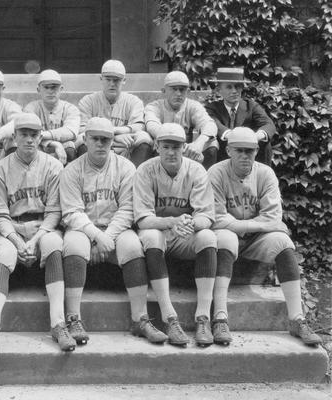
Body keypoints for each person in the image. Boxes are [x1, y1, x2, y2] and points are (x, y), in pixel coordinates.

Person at [59, 117, 168, 347]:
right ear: (85, 140)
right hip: (84, 229)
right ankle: (73, 318)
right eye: (95, 139)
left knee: (132, 246)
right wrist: (96, 236)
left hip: (115, 228)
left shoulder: (125, 167)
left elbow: (129, 208)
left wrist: (107, 236)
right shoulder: (72, 169)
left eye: (106, 140)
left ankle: (140, 318)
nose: (100, 144)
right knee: (74, 245)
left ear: (112, 141)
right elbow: (71, 212)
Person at [209, 127, 322, 346]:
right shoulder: (216, 172)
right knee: (225, 237)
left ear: (257, 151)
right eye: (239, 150)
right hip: (226, 235)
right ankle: (220, 317)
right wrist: (254, 225)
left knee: (283, 241)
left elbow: (273, 218)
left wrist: (246, 226)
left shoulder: (265, 173)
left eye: (249, 151)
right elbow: (216, 218)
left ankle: (297, 319)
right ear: (228, 150)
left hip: (254, 239)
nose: (244, 155)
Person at [0, 113, 74, 363]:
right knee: (4, 253)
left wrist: (36, 239)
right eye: (24, 134)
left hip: (43, 225)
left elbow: (55, 212)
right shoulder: (0, 168)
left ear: (41, 137)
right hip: (11, 227)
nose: (29, 140)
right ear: (14, 136)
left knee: (53, 244)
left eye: (34, 135)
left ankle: (58, 323)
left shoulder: (53, 165)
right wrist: (19, 241)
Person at [133, 122, 217, 347]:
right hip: (159, 231)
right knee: (150, 235)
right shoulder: (145, 170)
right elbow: (142, 218)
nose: (171, 152)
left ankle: (203, 317)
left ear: (184, 147)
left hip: (184, 232)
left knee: (208, 237)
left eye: (177, 147)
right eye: (166, 146)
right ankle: (169, 317)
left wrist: (189, 222)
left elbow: (207, 216)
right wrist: (171, 221)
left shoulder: (196, 170)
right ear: (157, 146)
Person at [75, 60, 152, 167]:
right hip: (99, 144)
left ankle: (134, 177)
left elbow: (139, 126)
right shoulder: (88, 101)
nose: (112, 84)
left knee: (144, 137)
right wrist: (113, 137)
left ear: (124, 80)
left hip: (125, 146)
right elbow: (82, 128)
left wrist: (113, 133)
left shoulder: (134, 101)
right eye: (108, 79)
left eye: (116, 80)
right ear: (101, 79)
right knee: (81, 138)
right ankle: (89, 175)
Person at [144, 71, 218, 169]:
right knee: (145, 138)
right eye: (174, 89)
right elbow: (152, 126)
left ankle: (207, 179)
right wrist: (177, 145)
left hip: (187, 152)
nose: (178, 93)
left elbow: (209, 124)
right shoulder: (154, 107)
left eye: (182, 90)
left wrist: (199, 143)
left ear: (188, 92)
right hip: (163, 152)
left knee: (212, 143)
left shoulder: (193, 106)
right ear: (164, 91)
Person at [206, 67, 276, 165]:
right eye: (229, 87)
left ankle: (262, 176)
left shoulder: (251, 106)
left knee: (266, 144)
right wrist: (232, 136)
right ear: (218, 90)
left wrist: (255, 136)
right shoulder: (212, 108)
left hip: (247, 153)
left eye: (238, 86)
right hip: (223, 155)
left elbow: (268, 124)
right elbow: (214, 124)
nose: (234, 91)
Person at [23, 69, 80, 164]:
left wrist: (42, 135)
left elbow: (71, 132)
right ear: (38, 90)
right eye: (46, 87)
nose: (50, 91)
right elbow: (29, 134)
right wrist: (54, 143)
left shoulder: (70, 108)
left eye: (54, 87)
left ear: (61, 89)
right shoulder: (30, 108)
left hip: (63, 149)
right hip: (39, 148)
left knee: (70, 147)